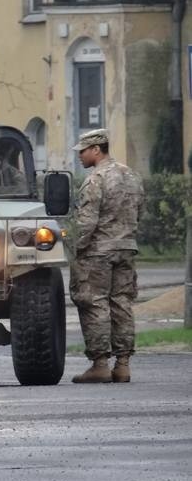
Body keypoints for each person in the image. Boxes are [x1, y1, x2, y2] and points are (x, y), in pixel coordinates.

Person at [69, 128, 145, 383]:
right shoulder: (131, 175)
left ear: (96, 149)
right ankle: (123, 365)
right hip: (126, 248)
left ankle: (100, 364)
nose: (80, 155)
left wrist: (75, 250)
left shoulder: (96, 179)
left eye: (83, 151)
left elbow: (86, 223)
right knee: (122, 303)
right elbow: (139, 212)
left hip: (98, 252)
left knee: (95, 303)